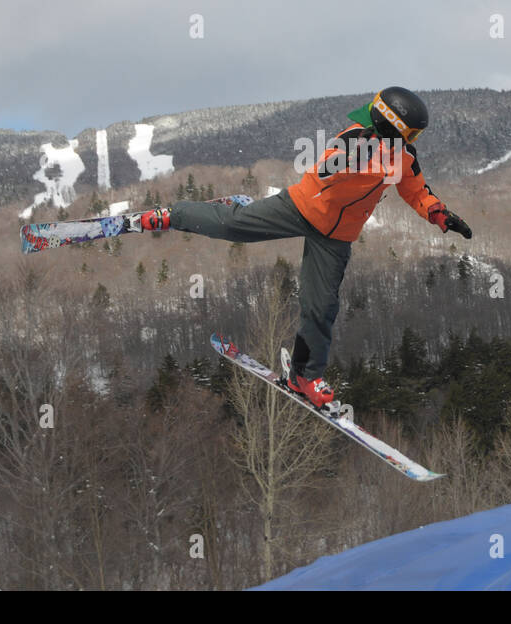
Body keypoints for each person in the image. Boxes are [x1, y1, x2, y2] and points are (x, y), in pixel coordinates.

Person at [138, 86, 472, 409]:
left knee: (321, 306)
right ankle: (174, 215)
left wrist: (440, 215)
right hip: (302, 208)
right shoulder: (354, 138)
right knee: (234, 226)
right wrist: (350, 160)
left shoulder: (403, 156)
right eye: (411, 134)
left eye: (415, 137)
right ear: (391, 125)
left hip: (337, 236)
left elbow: (416, 191)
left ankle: (305, 376)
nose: (412, 142)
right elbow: (324, 170)